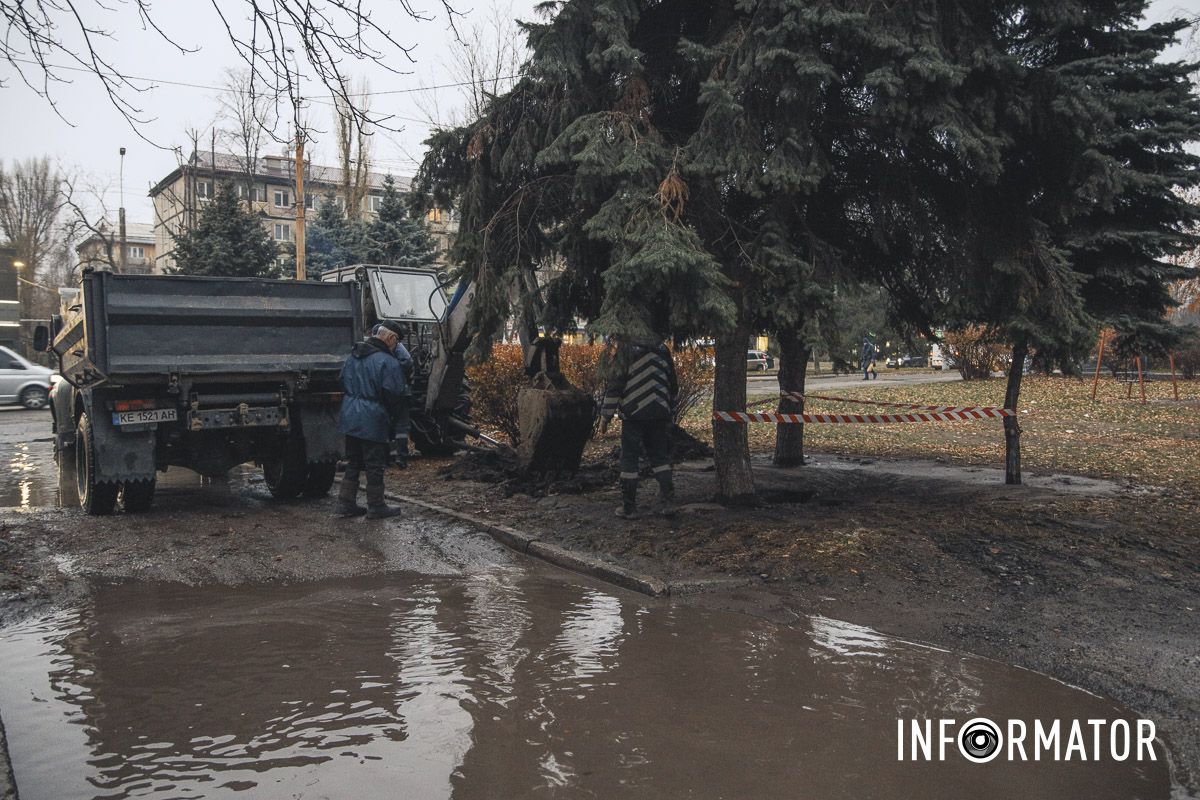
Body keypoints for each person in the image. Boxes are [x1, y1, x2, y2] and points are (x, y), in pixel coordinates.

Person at [335, 320, 409, 519]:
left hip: (350, 416)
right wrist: (393, 418)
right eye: (397, 342)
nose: (396, 347)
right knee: (374, 463)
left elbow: (342, 380)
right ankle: (376, 505)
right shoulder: (387, 362)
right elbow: (394, 395)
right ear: (391, 338)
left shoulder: (353, 355)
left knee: (354, 461)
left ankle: (345, 502)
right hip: (372, 418)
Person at [599, 335, 678, 519]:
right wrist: (670, 408)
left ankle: (629, 507)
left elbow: (616, 385)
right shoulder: (662, 349)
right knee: (660, 456)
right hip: (659, 412)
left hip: (633, 414)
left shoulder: (626, 350)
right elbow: (672, 383)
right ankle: (667, 501)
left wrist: (606, 415)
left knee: (629, 458)